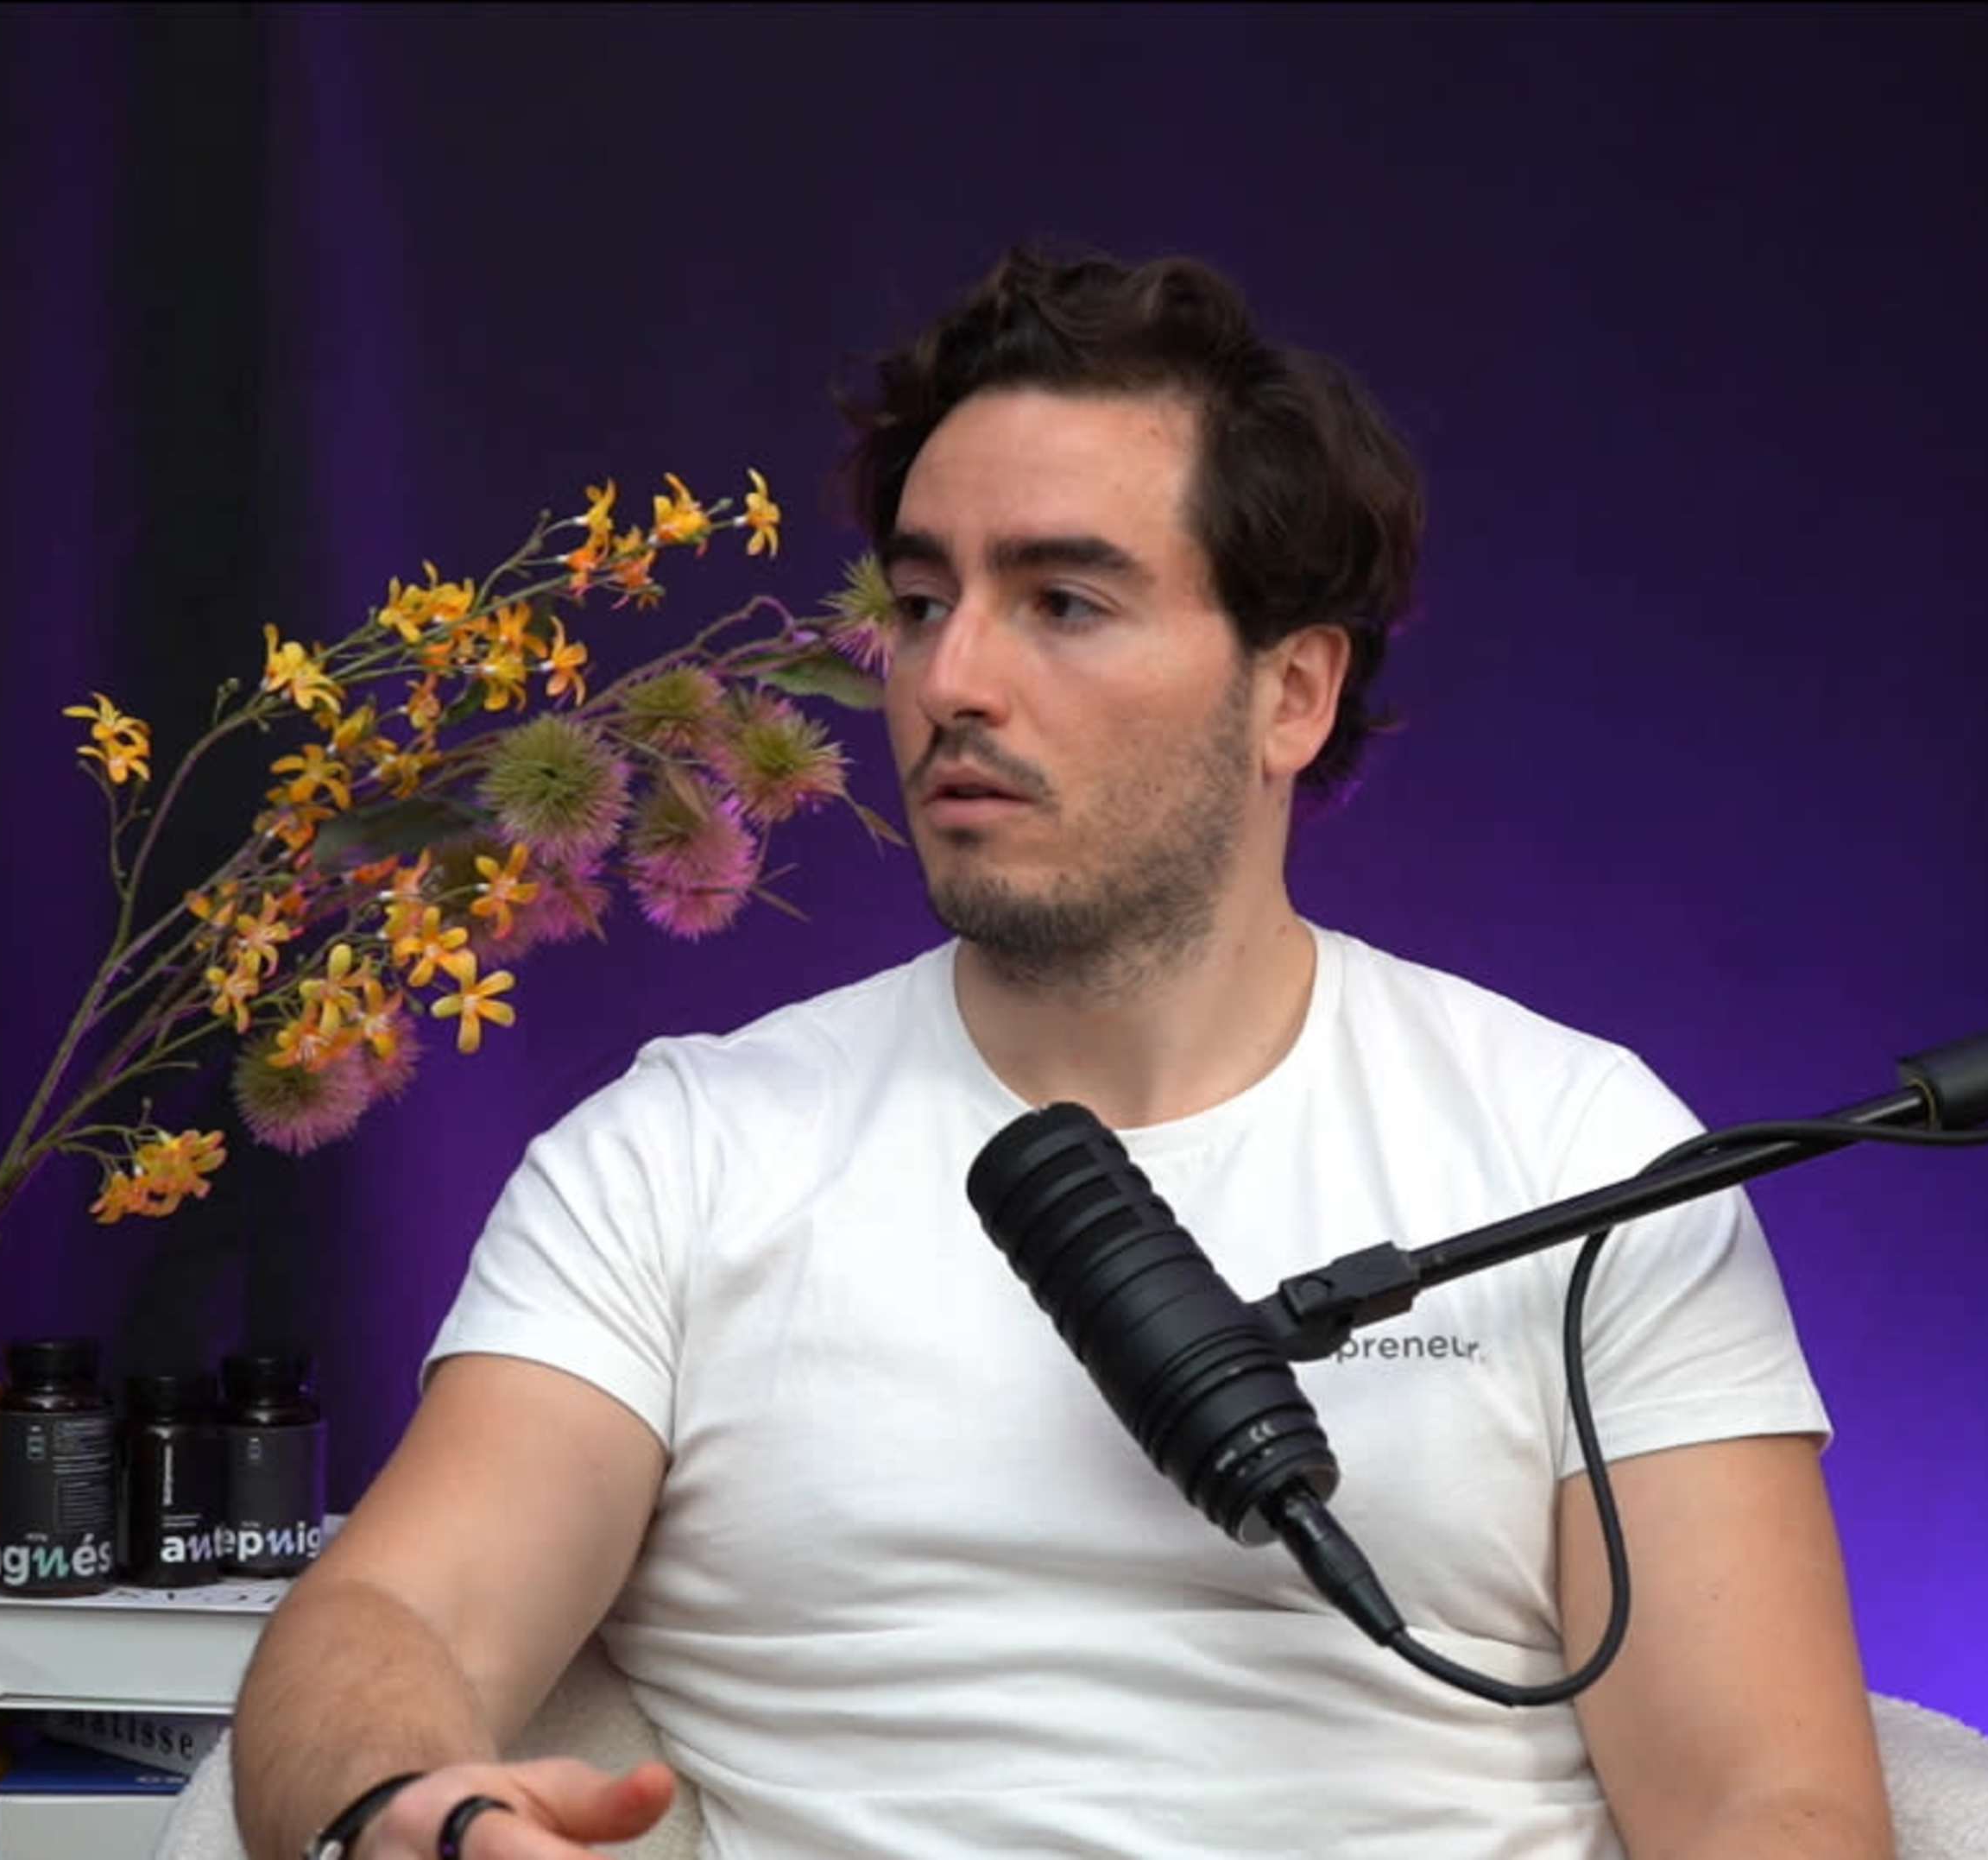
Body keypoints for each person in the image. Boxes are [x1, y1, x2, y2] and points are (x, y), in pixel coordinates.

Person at [233, 249, 1892, 1860]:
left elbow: (1771, 1806)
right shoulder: (680, 1156)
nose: (949, 678)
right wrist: (415, 1814)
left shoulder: (1578, 1153)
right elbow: (383, 1619)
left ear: (1291, 694)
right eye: (920, 600)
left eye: (1066, 601)